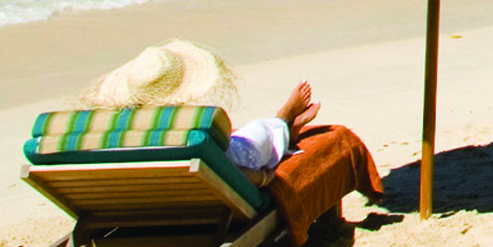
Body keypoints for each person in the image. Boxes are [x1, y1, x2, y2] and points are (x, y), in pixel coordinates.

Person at [84, 40, 322, 181]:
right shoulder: (193, 131)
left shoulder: (114, 136)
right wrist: (263, 179)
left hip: (145, 199)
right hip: (219, 175)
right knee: (256, 131)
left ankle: (284, 125)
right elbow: (233, 173)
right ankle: (282, 120)